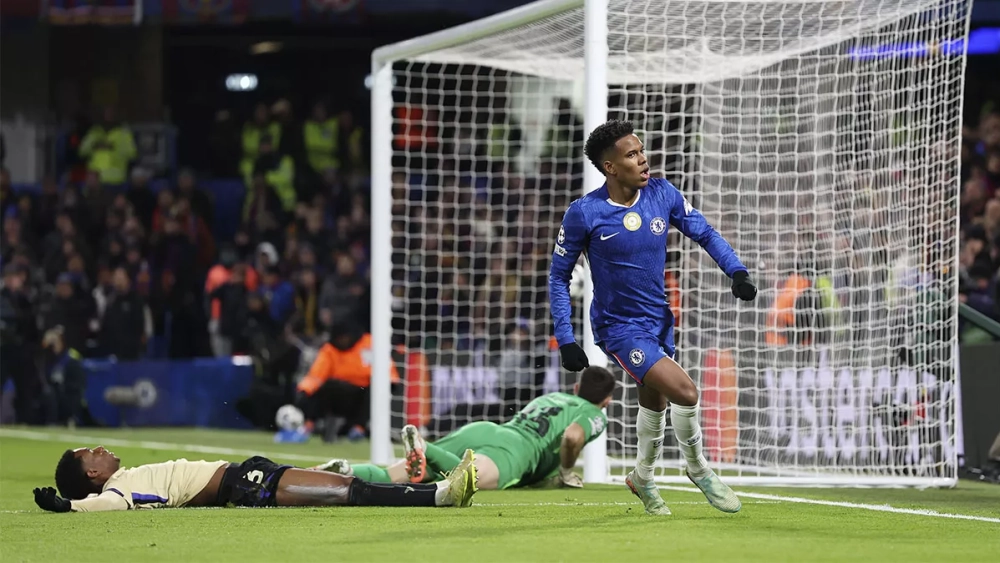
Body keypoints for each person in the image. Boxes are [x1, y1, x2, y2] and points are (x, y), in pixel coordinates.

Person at [548, 120, 757, 515]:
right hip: (619, 328)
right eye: (631, 154)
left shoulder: (662, 193)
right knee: (686, 392)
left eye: (641, 151)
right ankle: (699, 468)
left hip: (658, 319)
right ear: (610, 167)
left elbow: (706, 233)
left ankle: (642, 476)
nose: (643, 160)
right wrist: (567, 338)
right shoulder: (585, 212)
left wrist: (737, 271)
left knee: (655, 401)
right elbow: (559, 276)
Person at [312, 366, 615, 491]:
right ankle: (425, 447)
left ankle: (335, 471)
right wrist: (565, 470)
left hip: (485, 431)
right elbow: (573, 436)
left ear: (576, 386)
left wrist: (551, 478)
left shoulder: (555, 396)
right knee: (463, 482)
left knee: (395, 476)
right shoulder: (592, 413)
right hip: (513, 451)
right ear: (608, 401)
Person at [32, 446, 477, 513]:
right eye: (94, 453)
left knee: (344, 486)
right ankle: (440, 494)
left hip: (243, 476)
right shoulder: (117, 490)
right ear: (91, 473)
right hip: (241, 484)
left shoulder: (125, 477)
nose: (103, 450)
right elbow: (111, 505)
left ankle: (436, 490)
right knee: (346, 492)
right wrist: (69, 506)